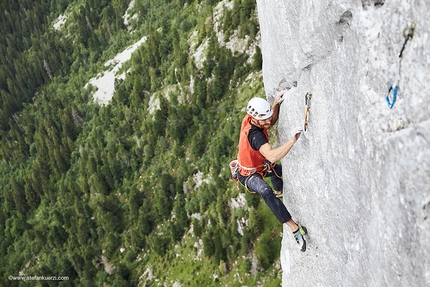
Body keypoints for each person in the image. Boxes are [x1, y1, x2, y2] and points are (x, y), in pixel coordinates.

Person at [233, 91, 307, 252]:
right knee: (266, 190)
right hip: (248, 175)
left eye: (267, 117)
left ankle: (279, 190)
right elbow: (272, 156)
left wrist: (275, 104)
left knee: (279, 171)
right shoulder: (255, 136)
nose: (268, 121)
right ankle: (295, 229)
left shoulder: (251, 119)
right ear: (256, 119)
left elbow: (269, 119)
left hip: (259, 166)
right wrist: (292, 140)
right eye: (264, 119)